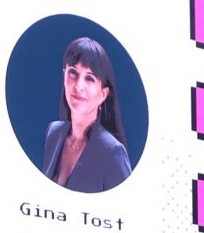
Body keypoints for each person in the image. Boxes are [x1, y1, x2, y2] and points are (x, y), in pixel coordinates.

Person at [36, 35, 133, 193]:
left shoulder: (112, 152)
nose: (78, 85)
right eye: (73, 72)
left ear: (103, 94)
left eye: (89, 78)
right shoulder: (53, 133)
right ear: (64, 76)